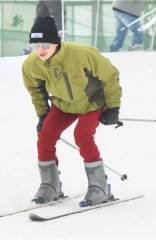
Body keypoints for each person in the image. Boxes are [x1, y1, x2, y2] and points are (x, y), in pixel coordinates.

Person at [22, 17, 122, 206]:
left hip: (91, 102)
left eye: (45, 44)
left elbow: (110, 75)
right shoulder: (31, 64)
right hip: (64, 105)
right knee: (45, 136)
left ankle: (99, 186)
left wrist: (113, 106)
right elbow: (35, 89)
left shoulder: (81, 53)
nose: (41, 50)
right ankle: (50, 184)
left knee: (82, 135)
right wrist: (43, 114)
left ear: (56, 43)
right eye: (36, 45)